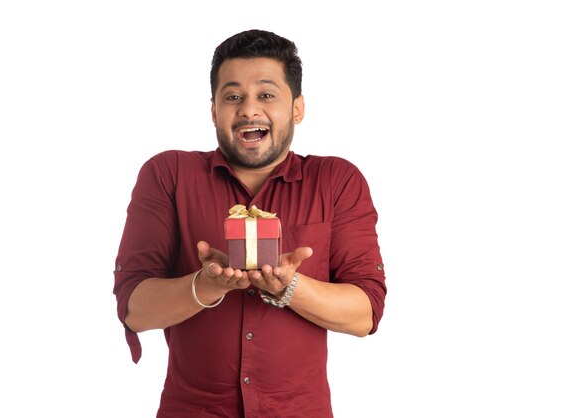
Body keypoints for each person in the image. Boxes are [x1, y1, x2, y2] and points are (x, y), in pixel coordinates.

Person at [113, 29, 386, 418]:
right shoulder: (168, 175)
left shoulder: (337, 180)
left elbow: (365, 314)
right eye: (233, 97)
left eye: (267, 95)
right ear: (213, 111)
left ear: (297, 108)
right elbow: (134, 308)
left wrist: (290, 287)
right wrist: (205, 285)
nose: (248, 110)